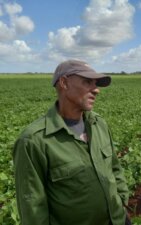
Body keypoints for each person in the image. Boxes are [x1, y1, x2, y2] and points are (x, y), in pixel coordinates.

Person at [13, 59, 131, 225]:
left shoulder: (99, 124)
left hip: (118, 219)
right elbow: (33, 207)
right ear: (64, 83)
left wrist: (122, 200)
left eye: (96, 83)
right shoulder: (33, 141)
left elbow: (114, 167)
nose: (96, 90)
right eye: (87, 82)